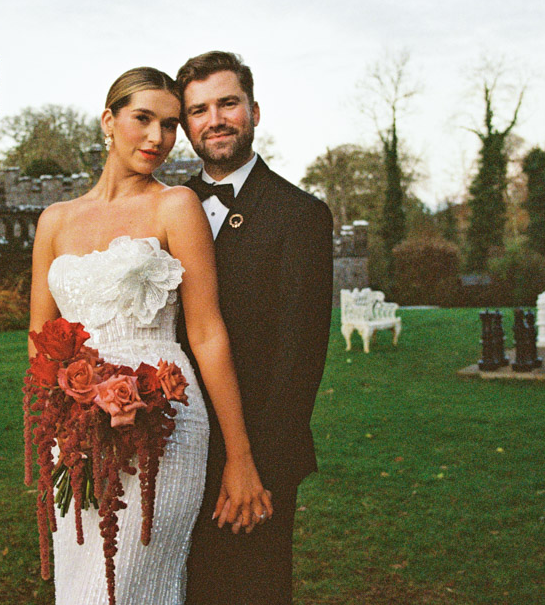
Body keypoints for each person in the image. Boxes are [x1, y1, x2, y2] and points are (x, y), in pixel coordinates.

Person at [28, 66, 273, 605]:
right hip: (75, 432)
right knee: (80, 588)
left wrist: (240, 455)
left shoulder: (175, 206)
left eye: (168, 124)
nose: (158, 138)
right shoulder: (54, 220)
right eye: (143, 119)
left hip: (164, 423)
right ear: (108, 122)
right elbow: (40, 340)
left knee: (126, 588)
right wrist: (70, 405)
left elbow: (207, 334)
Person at [178, 51, 334, 605]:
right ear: (186, 125)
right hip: (174, 450)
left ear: (254, 111)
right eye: (199, 109)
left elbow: (300, 359)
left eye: (227, 103)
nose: (214, 119)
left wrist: (254, 468)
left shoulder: (300, 215)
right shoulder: (170, 208)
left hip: (256, 456)